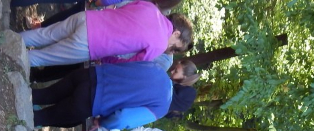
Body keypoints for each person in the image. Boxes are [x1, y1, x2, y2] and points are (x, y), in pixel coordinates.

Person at [19, 1, 193, 67]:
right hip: (91, 44)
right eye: (174, 46)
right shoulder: (160, 44)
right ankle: (10, 58)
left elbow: (121, 10)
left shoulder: (150, 7)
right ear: (176, 33)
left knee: (44, 34)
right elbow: (130, 63)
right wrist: (107, 59)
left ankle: (12, 39)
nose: (170, 48)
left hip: (88, 18)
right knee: (42, 58)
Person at [32, 61, 173, 129]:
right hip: (91, 101)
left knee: (41, 95)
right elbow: (122, 119)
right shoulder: (162, 107)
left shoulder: (159, 69)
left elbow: (124, 64)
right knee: (40, 117)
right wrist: (102, 123)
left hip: (89, 74)